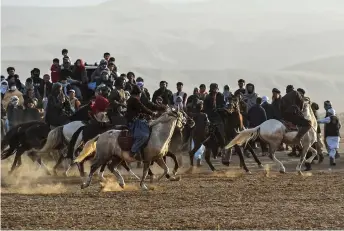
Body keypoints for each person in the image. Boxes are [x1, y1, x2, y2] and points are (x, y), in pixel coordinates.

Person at [125, 85, 158, 162]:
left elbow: (139, 111)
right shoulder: (134, 100)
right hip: (134, 122)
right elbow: (142, 108)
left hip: (136, 120)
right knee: (144, 136)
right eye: (140, 94)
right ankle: (133, 151)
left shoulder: (132, 100)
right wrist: (152, 113)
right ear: (138, 94)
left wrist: (146, 114)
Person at [203, 83, 225, 150]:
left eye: (215, 88)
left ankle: (223, 145)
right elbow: (205, 108)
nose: (214, 90)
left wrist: (218, 108)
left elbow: (223, 105)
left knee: (222, 129)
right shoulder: (208, 97)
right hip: (210, 116)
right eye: (212, 88)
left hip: (219, 114)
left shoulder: (221, 96)